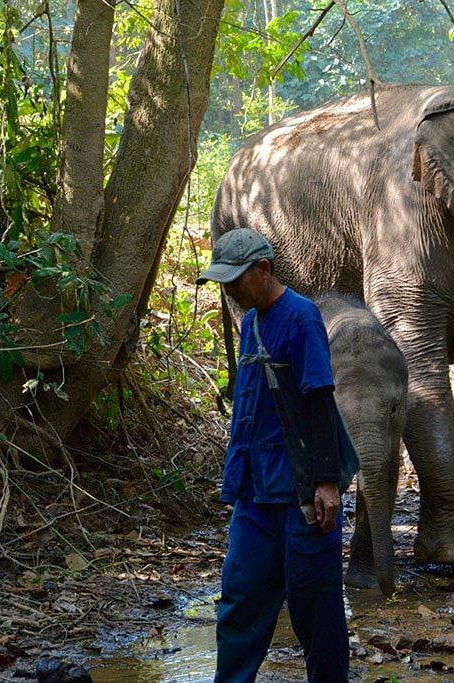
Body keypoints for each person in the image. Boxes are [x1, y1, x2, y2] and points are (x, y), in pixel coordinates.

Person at [196, 228, 349, 682]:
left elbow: (318, 398)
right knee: (240, 601)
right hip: (256, 494)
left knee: (315, 611)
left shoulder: (301, 318)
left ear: (263, 270)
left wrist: (326, 481)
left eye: (235, 280)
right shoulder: (252, 323)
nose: (229, 291)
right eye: (223, 281)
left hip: (302, 493)